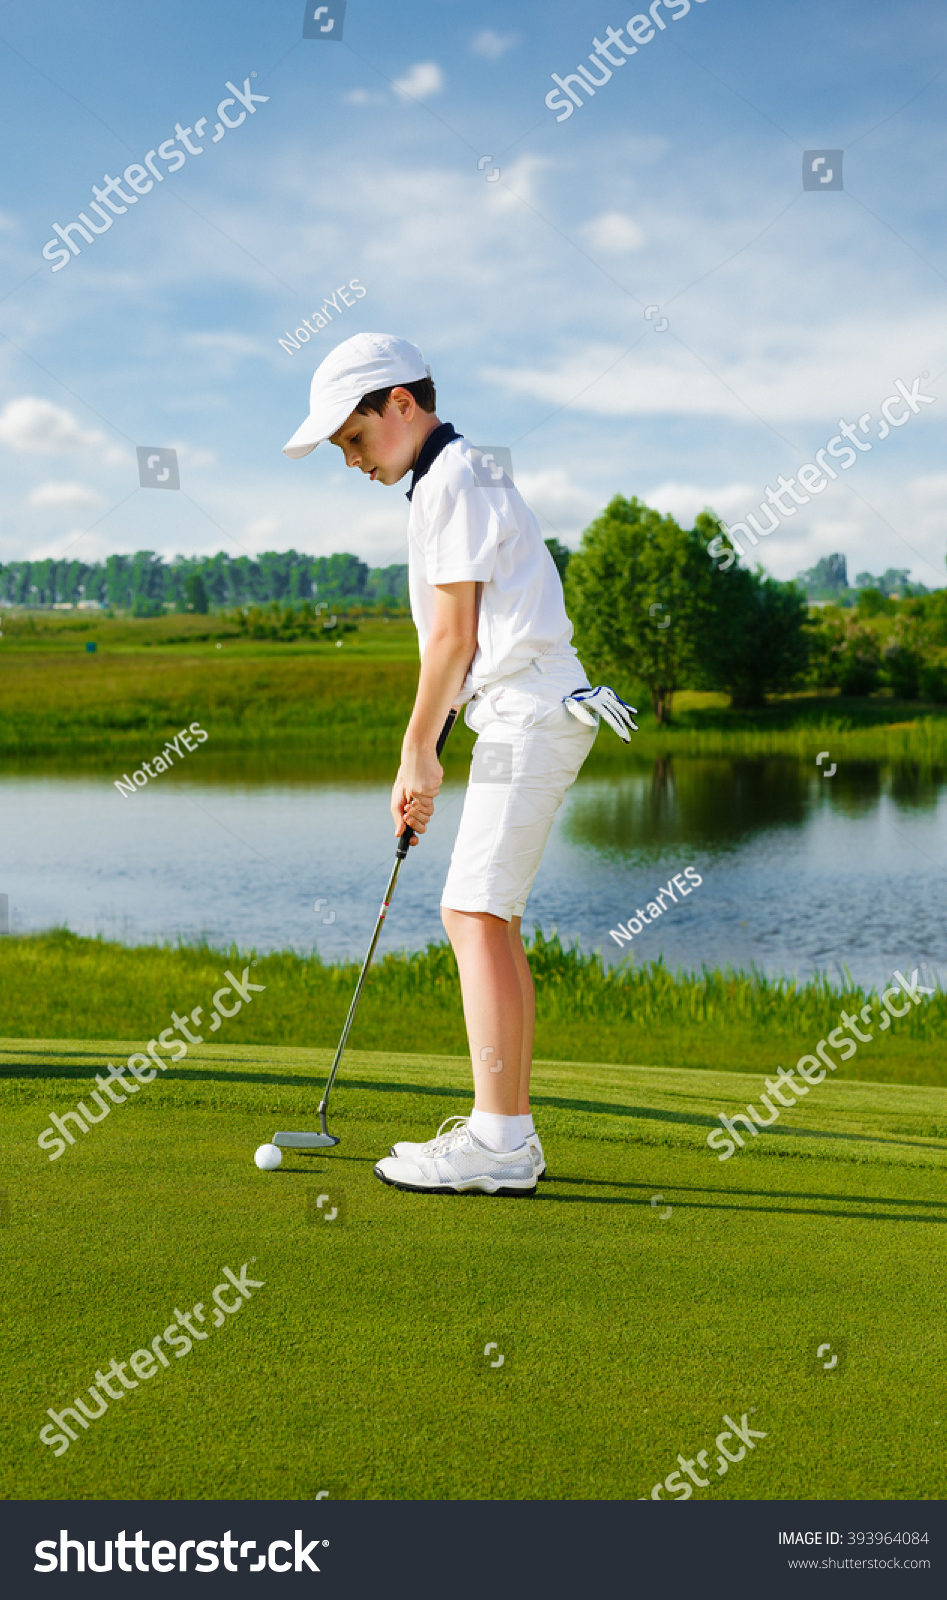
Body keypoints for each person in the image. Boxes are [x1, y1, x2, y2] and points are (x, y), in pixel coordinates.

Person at [283, 331, 635, 1196]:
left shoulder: (453, 480)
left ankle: (500, 1143)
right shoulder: (451, 477)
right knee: (487, 918)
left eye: (355, 439)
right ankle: (504, 1134)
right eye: (340, 451)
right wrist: (430, 750)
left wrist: (413, 755)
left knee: (473, 914)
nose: (352, 461)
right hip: (524, 709)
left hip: (530, 712)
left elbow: (452, 638)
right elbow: (466, 645)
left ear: (400, 404)